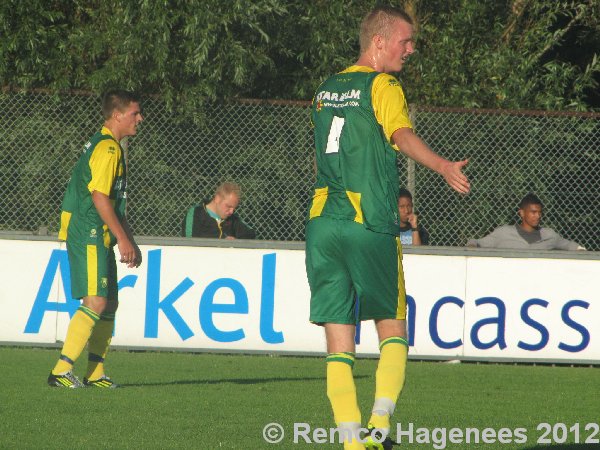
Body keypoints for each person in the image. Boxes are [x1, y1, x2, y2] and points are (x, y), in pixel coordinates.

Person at [305, 6, 470, 450]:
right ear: (378, 42)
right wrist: (441, 165)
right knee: (392, 327)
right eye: (405, 40)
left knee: (338, 336)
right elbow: (400, 134)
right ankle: (378, 428)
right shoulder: (382, 84)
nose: (410, 49)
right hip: (369, 221)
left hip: (322, 221)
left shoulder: (326, 88)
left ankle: (350, 442)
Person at [47, 89, 143, 389]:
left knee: (109, 303)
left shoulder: (110, 146)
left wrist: (129, 239)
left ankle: (95, 373)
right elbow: (100, 197)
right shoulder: (108, 150)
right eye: (135, 113)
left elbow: (112, 202)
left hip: (99, 232)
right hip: (89, 230)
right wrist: (122, 239)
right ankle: (61, 371)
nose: (140, 118)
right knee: (97, 301)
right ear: (117, 115)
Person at [467, 193, 585, 250]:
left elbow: (570, 245)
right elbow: (477, 243)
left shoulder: (549, 235)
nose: (538, 216)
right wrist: (472, 246)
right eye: (533, 212)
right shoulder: (503, 233)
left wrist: (581, 251)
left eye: (540, 212)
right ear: (522, 213)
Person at [181, 182, 256, 239]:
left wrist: (236, 241)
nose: (231, 211)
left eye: (234, 208)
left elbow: (251, 233)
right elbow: (189, 239)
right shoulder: (196, 212)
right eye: (228, 206)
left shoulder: (232, 219)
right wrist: (220, 243)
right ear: (217, 199)